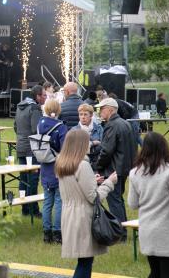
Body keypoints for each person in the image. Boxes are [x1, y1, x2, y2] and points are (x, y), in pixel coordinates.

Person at [128, 132, 169, 278]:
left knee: (155, 272)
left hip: (147, 232)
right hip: (167, 234)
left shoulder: (134, 173)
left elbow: (132, 204)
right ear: (164, 148)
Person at [56, 130, 117, 278]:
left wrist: (92, 181)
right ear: (81, 144)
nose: (90, 144)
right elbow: (93, 197)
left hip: (69, 215)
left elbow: (75, 186)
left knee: (84, 260)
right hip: (83, 217)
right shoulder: (83, 165)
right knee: (85, 262)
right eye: (87, 141)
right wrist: (109, 183)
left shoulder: (62, 163)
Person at [94, 97, 137, 229]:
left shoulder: (111, 126)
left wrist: (97, 167)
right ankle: (122, 229)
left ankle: (119, 232)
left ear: (110, 110)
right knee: (118, 200)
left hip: (113, 170)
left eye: (102, 109)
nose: (100, 111)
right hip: (124, 168)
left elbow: (106, 151)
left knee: (114, 202)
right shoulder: (125, 123)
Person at [37, 99, 68, 244]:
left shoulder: (40, 124)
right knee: (59, 201)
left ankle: (46, 233)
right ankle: (57, 233)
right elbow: (65, 150)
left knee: (47, 202)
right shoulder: (61, 127)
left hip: (44, 166)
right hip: (57, 166)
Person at [14, 84, 45, 217]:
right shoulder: (34, 108)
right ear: (37, 96)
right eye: (44, 95)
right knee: (32, 179)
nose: (45, 97)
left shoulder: (20, 106)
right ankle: (33, 209)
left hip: (21, 146)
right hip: (31, 149)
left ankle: (25, 209)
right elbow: (36, 130)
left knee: (23, 178)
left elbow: (15, 127)